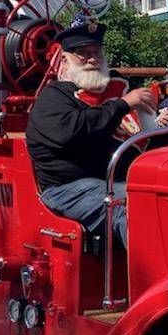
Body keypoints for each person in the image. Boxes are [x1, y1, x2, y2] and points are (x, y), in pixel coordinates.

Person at [26, 23, 155, 249]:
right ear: (64, 61)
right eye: (83, 54)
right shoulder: (53, 97)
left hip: (118, 180)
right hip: (65, 189)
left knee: (163, 196)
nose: (93, 59)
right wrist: (122, 105)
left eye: (96, 52)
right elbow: (75, 131)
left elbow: (142, 130)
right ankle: (151, 277)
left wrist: (165, 124)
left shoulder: (118, 88)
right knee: (127, 209)